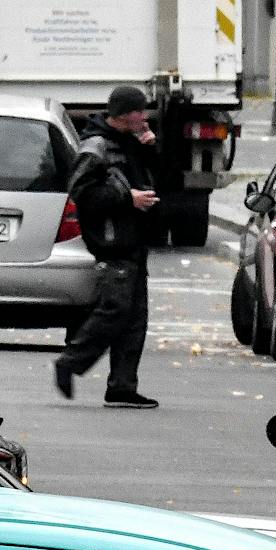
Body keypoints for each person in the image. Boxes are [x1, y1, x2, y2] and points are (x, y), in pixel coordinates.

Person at [56, 84, 159, 410]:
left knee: (134, 318)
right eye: (139, 111)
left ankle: (122, 386)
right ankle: (69, 362)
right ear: (125, 114)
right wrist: (127, 199)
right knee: (114, 311)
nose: (144, 117)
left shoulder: (131, 143)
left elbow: (160, 178)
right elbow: (82, 192)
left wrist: (150, 148)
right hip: (113, 241)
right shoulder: (97, 146)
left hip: (134, 239)